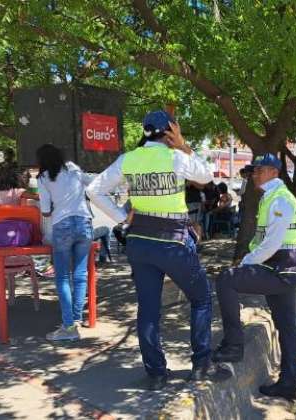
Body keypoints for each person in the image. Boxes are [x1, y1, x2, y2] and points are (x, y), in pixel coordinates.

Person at [86, 110, 229, 390]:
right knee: (201, 299)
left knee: (148, 310)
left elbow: (93, 190)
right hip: (174, 243)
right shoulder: (176, 157)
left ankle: (156, 374)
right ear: (170, 131)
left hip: (139, 243)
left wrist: (120, 217)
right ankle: (201, 364)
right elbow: (205, 174)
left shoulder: (129, 159)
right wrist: (184, 144)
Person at [213, 153, 296, 402]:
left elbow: (272, 244)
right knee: (286, 328)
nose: (255, 175)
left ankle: (233, 345)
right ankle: (288, 384)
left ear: (274, 172)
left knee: (227, 279)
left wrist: (245, 262)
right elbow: (262, 241)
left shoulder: (280, 200)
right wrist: (250, 256)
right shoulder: (270, 198)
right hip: (281, 269)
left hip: (280, 268)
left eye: (260, 170)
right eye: (254, 171)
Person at [35, 144, 93, 342]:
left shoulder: (42, 178)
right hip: (84, 221)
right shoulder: (72, 168)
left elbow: (44, 210)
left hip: (63, 225)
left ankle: (68, 327)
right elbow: (92, 183)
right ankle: (75, 319)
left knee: (62, 277)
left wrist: (53, 206)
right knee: (80, 274)